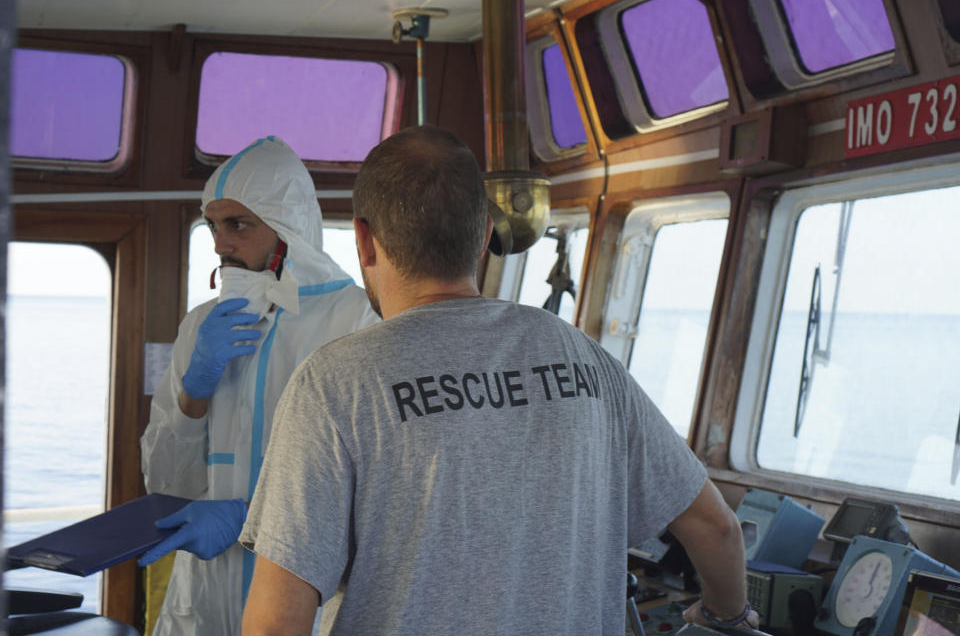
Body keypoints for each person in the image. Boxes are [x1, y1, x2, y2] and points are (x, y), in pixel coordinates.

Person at [239, 125, 759, 635]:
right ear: (485, 234)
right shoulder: (585, 357)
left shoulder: (334, 384)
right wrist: (725, 617)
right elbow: (716, 529)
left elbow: (275, 624)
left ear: (364, 240)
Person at [140, 136, 379, 636]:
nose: (220, 244)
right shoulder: (201, 326)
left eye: (238, 225)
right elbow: (165, 484)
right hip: (200, 606)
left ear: (288, 228)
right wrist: (193, 392)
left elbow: (374, 491)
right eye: (213, 225)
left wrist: (252, 520)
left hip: (301, 606)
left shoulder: (357, 319)